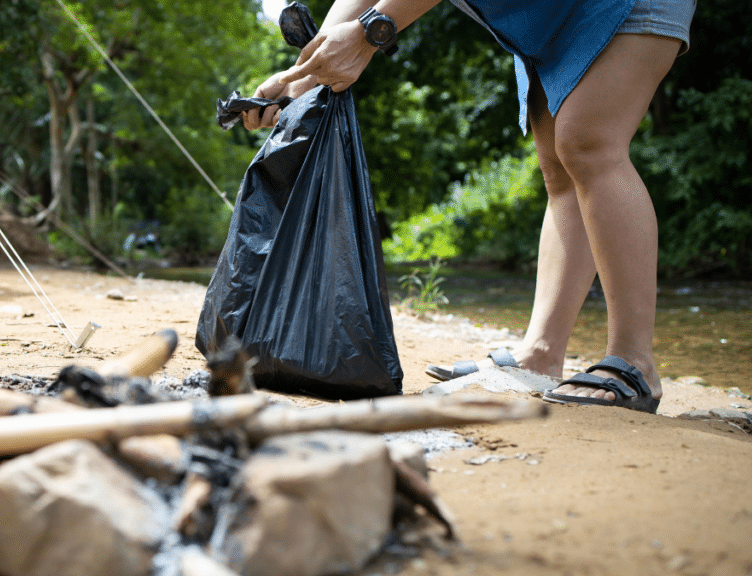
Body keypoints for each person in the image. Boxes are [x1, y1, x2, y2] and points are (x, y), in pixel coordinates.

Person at [242, 0, 696, 414]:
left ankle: (635, 361)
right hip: (549, 13)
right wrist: (300, 79)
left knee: (587, 141)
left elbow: (369, 19)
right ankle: (540, 354)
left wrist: (370, 34)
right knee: (558, 167)